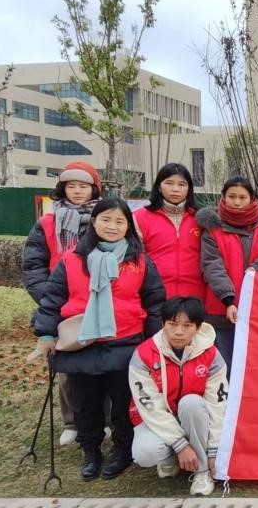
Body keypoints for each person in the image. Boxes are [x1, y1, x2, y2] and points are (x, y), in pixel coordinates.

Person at [32, 198, 167, 482]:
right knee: (86, 403)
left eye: (119, 221)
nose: (112, 226)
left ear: (128, 226)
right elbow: (53, 298)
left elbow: (155, 302)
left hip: (125, 341)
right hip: (82, 341)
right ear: (93, 222)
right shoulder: (72, 260)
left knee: (123, 402)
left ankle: (122, 450)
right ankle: (90, 450)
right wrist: (45, 333)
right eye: (106, 219)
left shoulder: (140, 262)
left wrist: (154, 341)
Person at [21, 160, 102, 448]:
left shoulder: (105, 219)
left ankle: (102, 419)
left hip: (100, 302)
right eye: (71, 186)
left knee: (103, 364)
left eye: (84, 186)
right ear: (62, 189)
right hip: (63, 304)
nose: (77, 191)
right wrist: (51, 300)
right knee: (67, 366)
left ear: (94, 189)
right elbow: (34, 267)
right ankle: (72, 421)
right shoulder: (48, 223)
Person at [129, 297, 227, 497]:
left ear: (198, 327)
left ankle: (201, 471)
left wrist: (214, 450)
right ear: (163, 324)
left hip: (195, 417)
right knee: (145, 453)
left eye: (187, 325)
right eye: (172, 324)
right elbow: (149, 406)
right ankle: (171, 459)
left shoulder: (211, 354)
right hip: (158, 418)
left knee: (191, 403)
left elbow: (217, 404)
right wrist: (180, 445)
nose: (179, 332)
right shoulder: (144, 354)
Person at [197, 177, 258, 363]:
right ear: (223, 197)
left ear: (252, 198)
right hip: (221, 310)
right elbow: (212, 265)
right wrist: (228, 300)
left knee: (255, 368)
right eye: (232, 196)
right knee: (224, 366)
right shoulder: (213, 228)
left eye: (242, 197)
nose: (236, 202)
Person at [134, 163, 205, 300]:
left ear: (189, 188)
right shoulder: (139, 217)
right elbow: (135, 259)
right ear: (159, 187)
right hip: (155, 295)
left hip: (195, 296)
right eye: (169, 183)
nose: (175, 189)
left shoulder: (201, 218)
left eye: (182, 184)